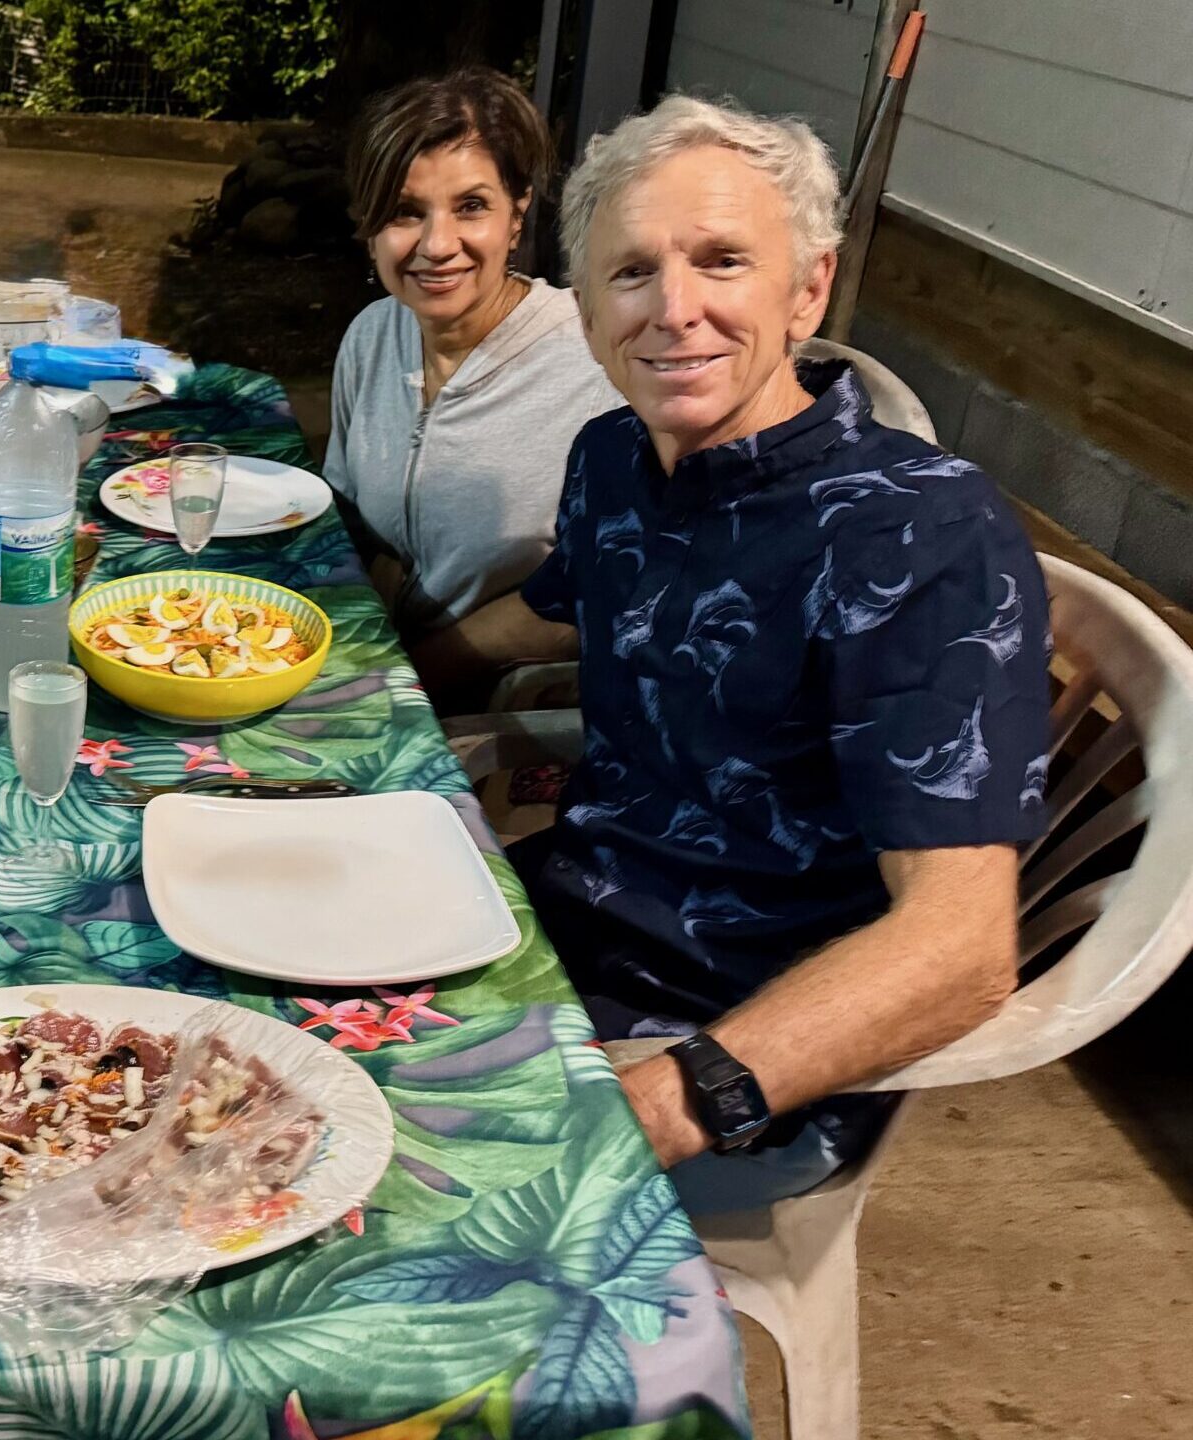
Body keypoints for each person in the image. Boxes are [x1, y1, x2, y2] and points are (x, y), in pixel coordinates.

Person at [484, 95, 1050, 1208]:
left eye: (723, 262)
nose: (674, 310)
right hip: (564, 928)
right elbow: (546, 608)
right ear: (586, 311)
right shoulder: (613, 454)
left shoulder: (919, 534)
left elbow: (963, 943)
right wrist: (365, 663)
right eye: (632, 272)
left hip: (737, 1043)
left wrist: (662, 1101)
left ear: (807, 290)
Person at [323, 66, 618, 701]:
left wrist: (409, 678)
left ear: (518, 214)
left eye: (471, 207)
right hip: (377, 668)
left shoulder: (600, 370)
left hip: (506, 718)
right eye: (405, 212)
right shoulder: (373, 336)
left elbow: (597, 593)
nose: (437, 244)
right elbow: (344, 522)